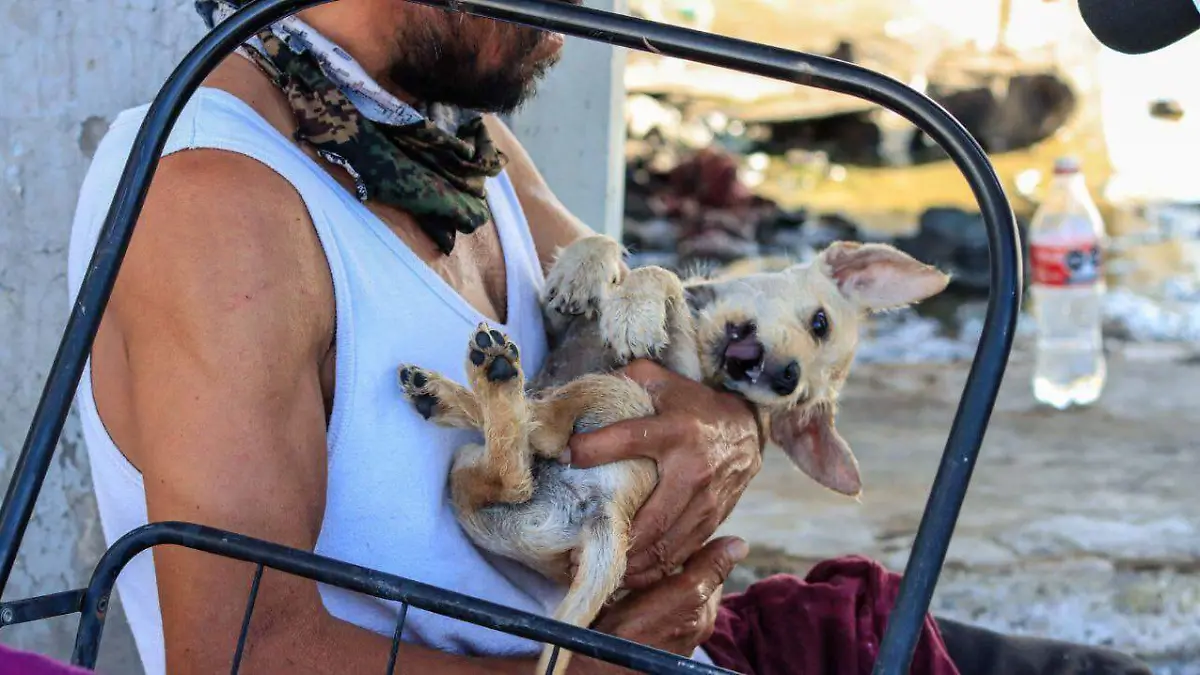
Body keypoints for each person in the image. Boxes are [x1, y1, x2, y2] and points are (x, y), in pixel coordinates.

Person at [67, 1, 1152, 674]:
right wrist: (582, 674)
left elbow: (667, 321)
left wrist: (721, 422)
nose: (575, 24)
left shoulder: (457, 138)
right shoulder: (215, 203)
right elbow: (239, 656)